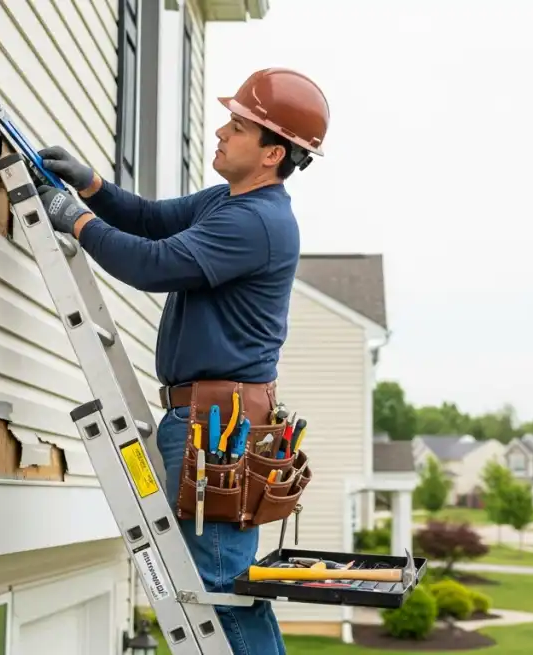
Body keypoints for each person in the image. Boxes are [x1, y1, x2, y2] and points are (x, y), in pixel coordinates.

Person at [34, 68, 329, 654]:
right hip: (206, 417)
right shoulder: (228, 202)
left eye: (237, 126)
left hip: (217, 424)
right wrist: (92, 186)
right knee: (225, 583)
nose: (220, 132)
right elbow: (150, 220)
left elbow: (153, 264)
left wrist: (75, 220)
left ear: (272, 153)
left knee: (217, 584)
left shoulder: (256, 222)